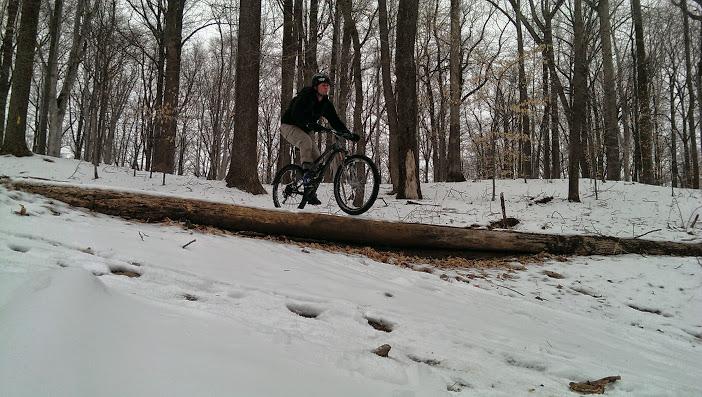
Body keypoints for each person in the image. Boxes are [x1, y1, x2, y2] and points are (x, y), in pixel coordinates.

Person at [280, 72, 359, 205]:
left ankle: (310, 193)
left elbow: (335, 121)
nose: (326, 88)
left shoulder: (325, 104)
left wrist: (348, 134)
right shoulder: (306, 95)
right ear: (316, 86)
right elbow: (295, 113)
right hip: (289, 125)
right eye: (323, 85)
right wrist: (309, 124)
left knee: (318, 161)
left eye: (328, 86)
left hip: (305, 130)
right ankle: (306, 174)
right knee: (305, 142)